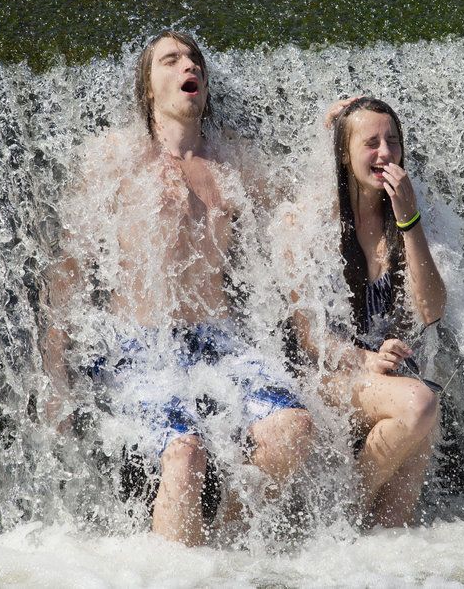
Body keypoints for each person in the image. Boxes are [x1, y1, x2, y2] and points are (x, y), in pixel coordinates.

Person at [40, 31, 314, 547]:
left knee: (294, 430)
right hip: (135, 343)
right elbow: (69, 268)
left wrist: (336, 131)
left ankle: (225, 551)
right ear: (148, 87)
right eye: (171, 60)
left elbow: (310, 205)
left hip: (219, 339)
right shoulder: (113, 157)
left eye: (194, 60)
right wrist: (55, 372)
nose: (188, 65)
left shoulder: (235, 162)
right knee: (185, 454)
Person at [289, 96, 447, 528]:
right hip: (324, 377)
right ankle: (348, 512)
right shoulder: (309, 223)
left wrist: (408, 220)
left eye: (392, 141)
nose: (385, 153)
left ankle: (375, 549)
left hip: (382, 377)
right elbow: (309, 337)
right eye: (370, 142)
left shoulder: (408, 214)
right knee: (419, 402)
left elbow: (432, 310)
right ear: (343, 154)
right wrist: (366, 360)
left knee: (397, 521)